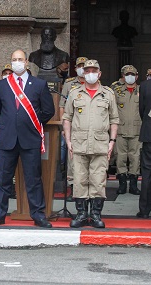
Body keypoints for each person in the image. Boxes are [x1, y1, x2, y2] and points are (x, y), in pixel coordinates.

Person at [0, 49, 55, 228]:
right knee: (3, 179)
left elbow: (48, 110)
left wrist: (31, 124)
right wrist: (12, 123)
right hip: (8, 138)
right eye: (14, 59)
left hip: (30, 138)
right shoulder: (1, 85)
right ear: (11, 62)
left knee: (33, 179)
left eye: (20, 59)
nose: (17, 62)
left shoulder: (39, 84)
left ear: (26, 62)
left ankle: (38, 215)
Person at [62, 59, 119, 228]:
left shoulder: (108, 94)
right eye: (87, 70)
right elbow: (67, 118)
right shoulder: (74, 93)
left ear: (100, 73)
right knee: (79, 180)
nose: (91, 73)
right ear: (83, 73)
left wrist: (112, 141)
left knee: (98, 180)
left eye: (94, 70)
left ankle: (95, 215)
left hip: (100, 145)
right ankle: (81, 214)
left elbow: (114, 119)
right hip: (79, 145)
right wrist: (68, 140)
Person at [59, 57, 88, 188]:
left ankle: (86, 183)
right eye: (79, 66)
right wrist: (63, 126)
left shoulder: (94, 83)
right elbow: (62, 106)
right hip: (72, 126)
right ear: (75, 68)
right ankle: (71, 184)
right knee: (71, 156)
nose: (82, 69)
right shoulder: (69, 84)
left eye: (84, 66)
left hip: (88, 125)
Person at [112, 65, 141, 195]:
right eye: (127, 74)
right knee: (120, 157)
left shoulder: (141, 90)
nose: (130, 77)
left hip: (137, 130)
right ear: (123, 76)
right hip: (121, 129)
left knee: (135, 158)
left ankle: (134, 185)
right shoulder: (117, 91)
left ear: (136, 76)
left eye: (132, 74)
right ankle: (122, 184)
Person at [137, 71, 151, 218]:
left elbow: (141, 110)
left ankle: (145, 210)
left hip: (149, 132)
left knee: (147, 173)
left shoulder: (145, 86)